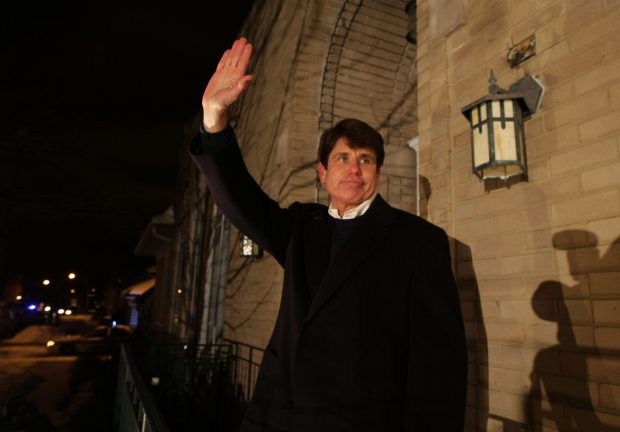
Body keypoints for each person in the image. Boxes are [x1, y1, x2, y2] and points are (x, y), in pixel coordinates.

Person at [190, 37, 467, 432]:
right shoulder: (303, 226)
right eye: (343, 157)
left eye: (365, 159)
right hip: (278, 417)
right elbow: (241, 199)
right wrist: (213, 117)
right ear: (323, 174)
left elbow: (439, 367)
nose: (354, 168)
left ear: (378, 174)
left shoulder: (419, 242)